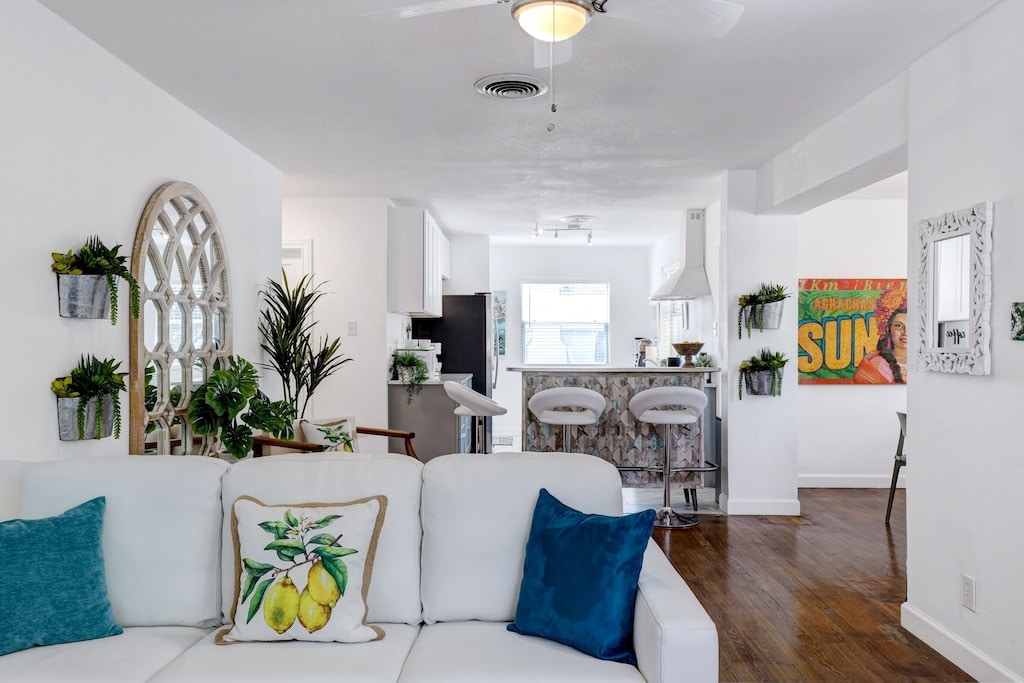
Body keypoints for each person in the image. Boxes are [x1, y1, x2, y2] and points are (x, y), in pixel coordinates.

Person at [854, 283, 908, 384]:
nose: (905, 332)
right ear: (888, 329)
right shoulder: (879, 364)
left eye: (911, 326)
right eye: (898, 326)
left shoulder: (926, 362)